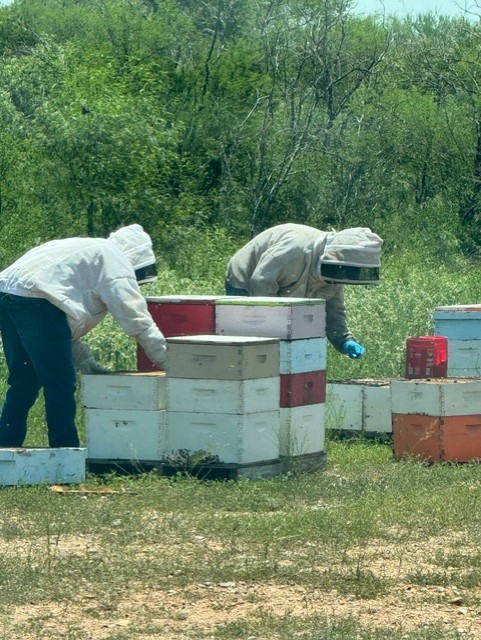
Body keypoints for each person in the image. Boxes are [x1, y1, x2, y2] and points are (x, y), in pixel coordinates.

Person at [0, 224, 167, 449]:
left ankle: (5, 448)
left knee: (24, 380)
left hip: (7, 293)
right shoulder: (114, 260)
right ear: (136, 257)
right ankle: (65, 453)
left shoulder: (89, 251)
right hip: (34, 299)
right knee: (60, 383)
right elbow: (137, 319)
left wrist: (88, 363)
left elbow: (59, 333)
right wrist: (167, 359)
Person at [225, 223, 383, 358]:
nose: (343, 277)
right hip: (245, 280)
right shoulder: (295, 249)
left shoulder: (336, 272)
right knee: (250, 343)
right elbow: (261, 281)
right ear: (334, 257)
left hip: (280, 286)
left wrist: (344, 340)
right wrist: (273, 326)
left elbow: (334, 310)